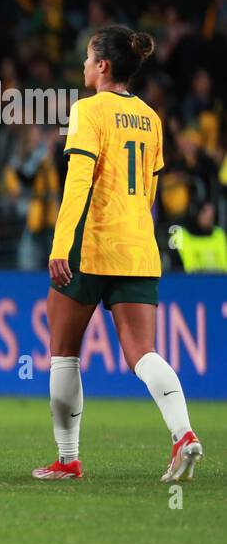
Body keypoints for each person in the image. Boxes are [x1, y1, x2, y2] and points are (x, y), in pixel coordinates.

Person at [36, 25, 203, 482]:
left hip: (89, 246)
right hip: (138, 247)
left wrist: (60, 243)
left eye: (89, 58)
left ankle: (68, 459)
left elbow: (78, 182)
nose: (85, 66)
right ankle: (184, 435)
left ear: (103, 66)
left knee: (64, 353)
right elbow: (150, 193)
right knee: (142, 354)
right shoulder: (151, 118)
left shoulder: (87, 110)